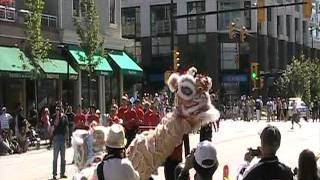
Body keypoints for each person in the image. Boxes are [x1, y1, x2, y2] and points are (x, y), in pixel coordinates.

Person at [51, 106, 69, 180]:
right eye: (57, 109)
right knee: (55, 157)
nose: (58, 110)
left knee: (63, 157)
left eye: (60, 109)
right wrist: (58, 116)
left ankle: (62, 173)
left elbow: (67, 128)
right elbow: (55, 124)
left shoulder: (65, 117)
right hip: (56, 138)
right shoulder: (54, 116)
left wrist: (67, 139)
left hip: (63, 138)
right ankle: (54, 174)